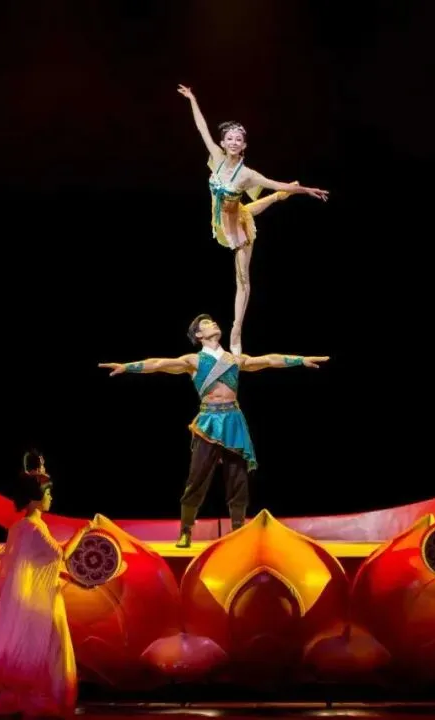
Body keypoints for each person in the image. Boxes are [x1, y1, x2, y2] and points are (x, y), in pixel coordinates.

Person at [99, 314, 328, 548]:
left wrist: (301, 360)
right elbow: (158, 364)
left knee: (238, 480)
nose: (214, 323)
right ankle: (186, 530)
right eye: (207, 324)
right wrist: (127, 367)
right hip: (208, 422)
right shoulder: (193, 360)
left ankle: (238, 531)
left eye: (213, 321)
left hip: (233, 421)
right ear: (198, 335)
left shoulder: (233, 359)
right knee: (196, 478)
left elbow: (269, 360)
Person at [177, 84, 330, 356]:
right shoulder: (217, 158)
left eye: (239, 139)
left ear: (244, 146)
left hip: (238, 229)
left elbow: (275, 182)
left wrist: (306, 190)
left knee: (243, 280)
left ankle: (237, 329)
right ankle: (278, 199)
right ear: (223, 143)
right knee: (250, 208)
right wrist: (192, 99)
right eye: (229, 138)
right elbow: (201, 128)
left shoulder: (248, 175)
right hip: (222, 222)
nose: (233, 142)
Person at [0, 450, 87, 719]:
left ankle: (26, 695)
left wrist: (74, 579)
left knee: (42, 647)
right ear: (34, 498)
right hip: (38, 605)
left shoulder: (23, 527)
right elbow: (61, 555)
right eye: (48, 493)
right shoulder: (32, 528)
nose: (51, 498)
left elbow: (40, 565)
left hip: (39, 599)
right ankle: (33, 697)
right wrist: (83, 532)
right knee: (44, 648)